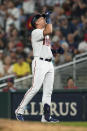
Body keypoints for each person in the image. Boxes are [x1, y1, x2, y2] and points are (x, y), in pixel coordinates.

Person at [15, 12, 59, 122]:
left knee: (48, 91)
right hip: (39, 62)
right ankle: (19, 110)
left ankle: (46, 117)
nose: (44, 19)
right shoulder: (36, 32)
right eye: (41, 18)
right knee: (35, 88)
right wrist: (48, 18)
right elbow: (49, 30)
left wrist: (55, 51)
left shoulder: (45, 34)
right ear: (36, 22)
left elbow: (46, 48)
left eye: (44, 18)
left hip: (49, 63)